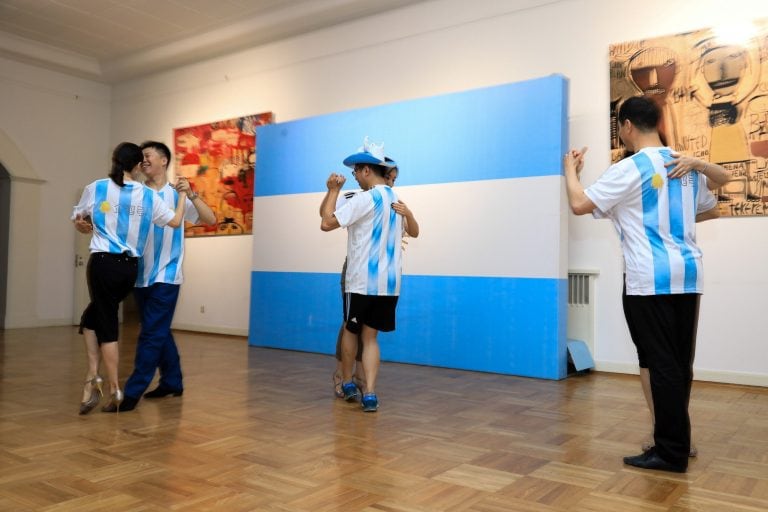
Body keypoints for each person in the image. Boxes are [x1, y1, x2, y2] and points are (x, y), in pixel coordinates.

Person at [563, 96, 728, 473]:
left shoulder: (629, 168)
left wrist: (570, 169)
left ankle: (669, 452)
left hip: (647, 278)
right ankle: (676, 443)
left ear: (626, 126)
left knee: (659, 364)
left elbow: (578, 203)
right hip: (687, 276)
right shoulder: (684, 164)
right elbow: (712, 208)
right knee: (678, 364)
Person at [72, 142, 187, 414]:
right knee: (94, 315)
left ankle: (113, 387)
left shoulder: (98, 187)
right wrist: (183, 197)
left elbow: (78, 217)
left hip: (103, 263)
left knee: (107, 321)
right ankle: (92, 377)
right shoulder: (148, 195)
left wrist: (82, 224)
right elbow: (174, 221)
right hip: (130, 269)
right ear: (136, 166)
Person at [116, 141, 216, 412]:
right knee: (158, 330)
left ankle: (132, 392)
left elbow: (211, 219)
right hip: (140, 275)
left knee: (150, 332)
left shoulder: (177, 193)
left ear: (163, 160)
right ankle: (172, 381)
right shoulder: (135, 193)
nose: (143, 160)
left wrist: (192, 195)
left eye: (147, 155)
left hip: (167, 274)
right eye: (141, 157)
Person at [320, 139, 404, 412]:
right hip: (388, 284)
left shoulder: (364, 198)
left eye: (357, 170)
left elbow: (326, 223)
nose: (354, 175)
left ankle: (346, 382)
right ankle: (370, 393)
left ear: (367, 171)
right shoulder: (397, 200)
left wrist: (333, 190)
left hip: (359, 281)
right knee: (371, 338)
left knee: (350, 328)